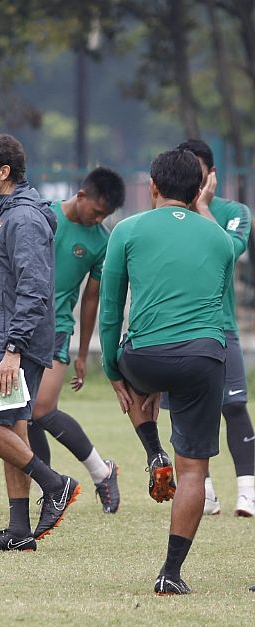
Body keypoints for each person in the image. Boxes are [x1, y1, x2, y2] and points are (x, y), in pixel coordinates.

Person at [98, 149, 233, 594]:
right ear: (199, 191)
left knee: (141, 380)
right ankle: (169, 574)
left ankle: (153, 449)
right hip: (204, 356)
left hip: (144, 357)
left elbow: (112, 307)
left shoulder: (127, 230)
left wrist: (114, 368)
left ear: (152, 186)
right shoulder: (220, 240)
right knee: (193, 470)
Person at [0, 134, 78, 553]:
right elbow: (4, 291)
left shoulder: (22, 218)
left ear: (4, 172)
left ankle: (56, 484)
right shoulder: (5, 212)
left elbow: (34, 290)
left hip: (15, 344)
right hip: (12, 336)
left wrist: (13, 349)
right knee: (10, 428)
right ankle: (19, 530)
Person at [27, 168, 126, 514]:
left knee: (41, 409)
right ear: (81, 196)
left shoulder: (102, 241)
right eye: (96, 211)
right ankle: (50, 487)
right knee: (22, 416)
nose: (99, 219)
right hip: (20, 326)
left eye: (105, 216)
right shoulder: (42, 215)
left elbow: (90, 299)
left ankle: (102, 472)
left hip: (56, 328)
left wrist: (83, 352)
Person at [174, 140, 254, 517]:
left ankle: (248, 491)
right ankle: (203, 492)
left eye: (199, 171)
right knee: (187, 411)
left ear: (211, 175)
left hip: (221, 327)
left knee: (235, 405)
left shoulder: (234, 212)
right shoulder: (168, 216)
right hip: (178, 330)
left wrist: (203, 207)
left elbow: (229, 250)